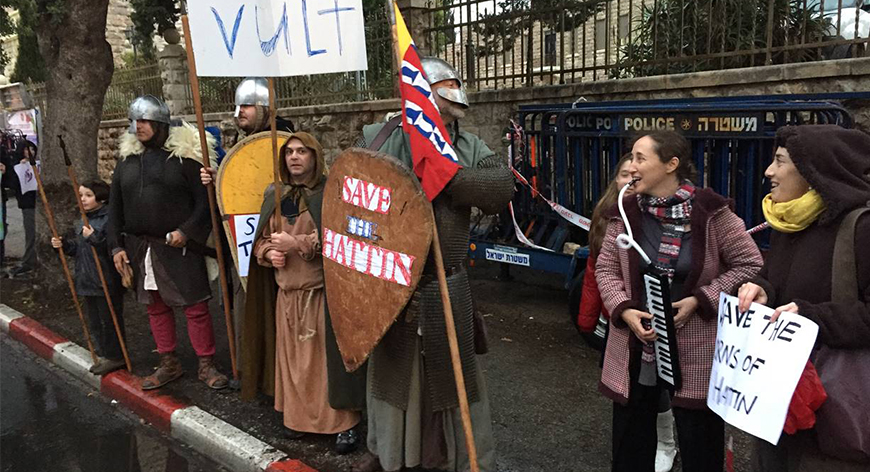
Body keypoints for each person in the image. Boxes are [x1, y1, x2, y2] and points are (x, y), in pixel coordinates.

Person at [351, 57, 514, 472]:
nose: (458, 92)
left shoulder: (469, 145)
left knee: (453, 378)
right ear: (421, 92)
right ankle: (390, 453)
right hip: (391, 280)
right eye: (447, 85)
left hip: (447, 284)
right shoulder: (378, 138)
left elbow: (501, 188)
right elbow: (350, 196)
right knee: (394, 377)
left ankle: (459, 459)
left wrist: (445, 174)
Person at [595, 130, 763, 472]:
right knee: (630, 444)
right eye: (631, 156)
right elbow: (606, 269)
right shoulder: (624, 212)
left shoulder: (712, 212)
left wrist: (701, 299)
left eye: (641, 158)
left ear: (671, 164)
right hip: (636, 346)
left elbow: (749, 264)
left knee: (700, 443)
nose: (632, 165)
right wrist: (625, 310)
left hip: (697, 347)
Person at [737, 125, 870, 472]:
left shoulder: (862, 229)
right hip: (777, 402)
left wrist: (811, 318)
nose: (769, 172)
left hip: (833, 412)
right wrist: (761, 288)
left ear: (814, 172)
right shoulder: (790, 221)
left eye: (780, 161)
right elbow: (776, 280)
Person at [243, 132, 364, 453]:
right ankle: (297, 420)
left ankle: (343, 425)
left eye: (302, 151)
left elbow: (340, 236)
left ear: (315, 156)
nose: (294, 157)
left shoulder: (332, 192)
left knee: (327, 366)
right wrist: (269, 252)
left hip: (323, 296)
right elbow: (261, 240)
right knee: (294, 365)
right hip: (288, 296)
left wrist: (296, 243)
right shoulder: (276, 193)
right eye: (289, 152)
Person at [108, 95, 228, 391]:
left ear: (161, 124)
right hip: (140, 247)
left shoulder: (185, 159)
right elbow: (115, 209)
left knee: (195, 306)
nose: (138, 126)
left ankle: (206, 364)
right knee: (156, 307)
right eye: (135, 121)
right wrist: (116, 247)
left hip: (181, 248)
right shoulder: (126, 163)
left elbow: (205, 204)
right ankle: (169, 363)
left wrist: (186, 232)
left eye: (145, 121)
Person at [578, 153, 678, 472]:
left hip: (653, 320)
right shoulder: (607, 217)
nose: (630, 181)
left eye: (636, 175)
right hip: (620, 319)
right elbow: (596, 271)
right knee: (627, 392)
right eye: (624, 175)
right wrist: (588, 319)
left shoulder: (656, 218)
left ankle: (666, 442)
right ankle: (635, 448)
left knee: (658, 387)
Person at [201, 77, 297, 372]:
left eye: (247, 105)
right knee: (246, 306)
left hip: (278, 240)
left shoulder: (287, 142)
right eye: (238, 106)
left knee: (280, 310)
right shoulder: (242, 144)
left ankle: (282, 374)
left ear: (265, 107)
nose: (239, 111)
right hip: (245, 239)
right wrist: (219, 181)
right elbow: (241, 190)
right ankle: (252, 371)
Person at [51, 180, 126, 374]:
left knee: (110, 321)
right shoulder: (83, 219)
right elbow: (79, 250)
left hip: (105, 279)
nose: (82, 199)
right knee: (95, 321)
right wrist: (64, 246)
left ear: (101, 198)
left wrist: (93, 237)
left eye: (88, 195)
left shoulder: (109, 220)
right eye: (81, 195)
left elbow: (111, 248)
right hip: (86, 278)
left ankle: (116, 356)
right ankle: (103, 352)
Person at [6, 140, 38, 278]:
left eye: (32, 149)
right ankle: (29, 260)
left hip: (38, 201)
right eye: (26, 149)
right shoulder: (17, 166)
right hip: (28, 203)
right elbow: (13, 184)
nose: (30, 152)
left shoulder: (38, 164)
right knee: (31, 232)